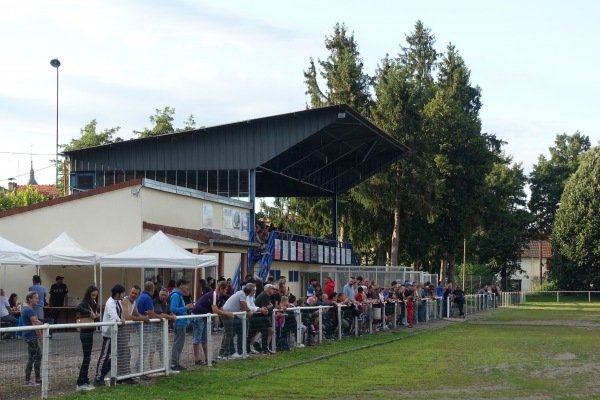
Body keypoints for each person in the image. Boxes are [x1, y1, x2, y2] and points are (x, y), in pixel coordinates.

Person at [191, 281, 233, 365]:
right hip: (198, 317)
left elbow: (220, 308)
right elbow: (215, 310)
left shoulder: (219, 297)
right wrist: (227, 314)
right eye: (225, 289)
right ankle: (197, 359)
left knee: (205, 338)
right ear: (221, 289)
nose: (226, 291)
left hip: (205, 318)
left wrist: (226, 314)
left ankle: (207, 358)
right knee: (197, 338)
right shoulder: (214, 295)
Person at [95, 284, 126, 387]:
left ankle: (104, 374)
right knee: (104, 355)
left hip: (115, 332)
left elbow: (120, 315)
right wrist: (120, 320)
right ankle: (98, 377)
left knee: (115, 355)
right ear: (117, 294)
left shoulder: (118, 302)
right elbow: (114, 315)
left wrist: (122, 320)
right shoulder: (110, 302)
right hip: (108, 333)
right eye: (122, 293)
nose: (123, 295)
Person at [219, 283, 257, 359]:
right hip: (227, 314)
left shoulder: (242, 294)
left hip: (230, 314)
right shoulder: (242, 294)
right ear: (249, 290)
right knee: (229, 334)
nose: (254, 292)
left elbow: (244, 305)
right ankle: (227, 353)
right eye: (253, 290)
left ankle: (223, 352)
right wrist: (249, 311)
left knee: (228, 334)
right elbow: (243, 305)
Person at [120, 285, 149, 383]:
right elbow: (127, 317)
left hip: (127, 329)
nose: (133, 295)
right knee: (123, 352)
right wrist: (142, 318)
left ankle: (124, 374)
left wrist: (144, 319)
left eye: (135, 293)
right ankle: (123, 375)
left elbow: (136, 313)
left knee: (126, 352)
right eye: (132, 292)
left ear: (138, 295)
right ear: (129, 291)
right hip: (120, 328)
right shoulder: (124, 300)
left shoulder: (134, 302)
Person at [74, 285, 99, 391]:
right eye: (92, 295)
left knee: (87, 357)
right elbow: (77, 307)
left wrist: (95, 316)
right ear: (89, 294)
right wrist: (90, 313)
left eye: (95, 296)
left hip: (90, 330)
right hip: (85, 331)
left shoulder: (93, 303)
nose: (94, 297)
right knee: (87, 357)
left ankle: (85, 379)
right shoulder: (85, 303)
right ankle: (81, 381)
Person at [21, 291, 44, 386]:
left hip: (28, 335)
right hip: (31, 336)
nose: (37, 300)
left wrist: (38, 322)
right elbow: (35, 325)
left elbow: (36, 322)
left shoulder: (26, 308)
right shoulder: (29, 310)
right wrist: (41, 338)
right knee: (33, 357)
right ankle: (28, 379)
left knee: (37, 356)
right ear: (30, 299)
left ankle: (37, 378)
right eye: (36, 298)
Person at [170, 279, 193, 371]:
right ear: (180, 285)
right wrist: (185, 308)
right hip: (179, 323)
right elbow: (173, 309)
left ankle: (176, 362)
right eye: (186, 285)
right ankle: (174, 363)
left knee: (179, 344)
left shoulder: (179, 295)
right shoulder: (176, 296)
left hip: (181, 322)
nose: (187, 287)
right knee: (178, 344)